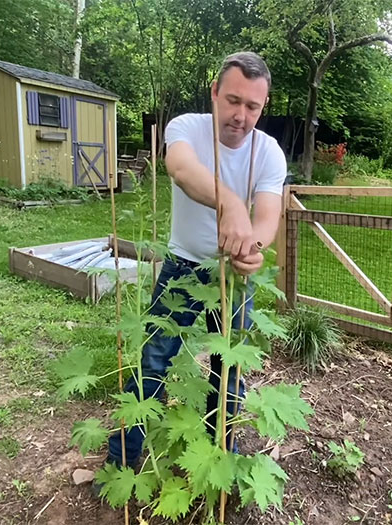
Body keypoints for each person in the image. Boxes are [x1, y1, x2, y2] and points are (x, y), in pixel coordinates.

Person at [106, 51, 287, 468]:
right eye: (233, 100)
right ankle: (123, 461)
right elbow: (181, 168)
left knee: (230, 372)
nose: (241, 115)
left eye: (252, 106)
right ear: (215, 93)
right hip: (183, 267)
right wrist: (230, 204)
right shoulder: (185, 127)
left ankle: (218, 459)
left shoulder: (270, 153)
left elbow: (267, 220)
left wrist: (252, 250)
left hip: (234, 279)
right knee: (153, 360)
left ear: (263, 107)